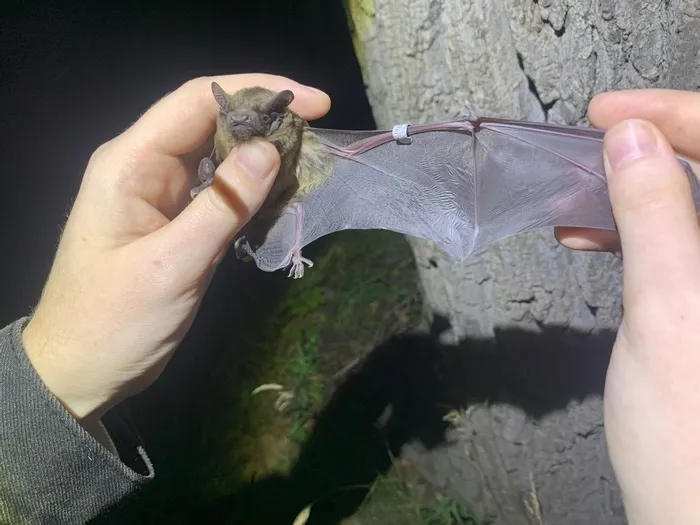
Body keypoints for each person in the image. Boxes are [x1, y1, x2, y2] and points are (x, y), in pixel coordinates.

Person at [0, 75, 697, 524]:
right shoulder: (222, 145)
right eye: (235, 128)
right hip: (247, 222)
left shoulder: (312, 144)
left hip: (292, 213)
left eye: (265, 128)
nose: (250, 137)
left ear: (285, 122)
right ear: (221, 121)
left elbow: (295, 182)